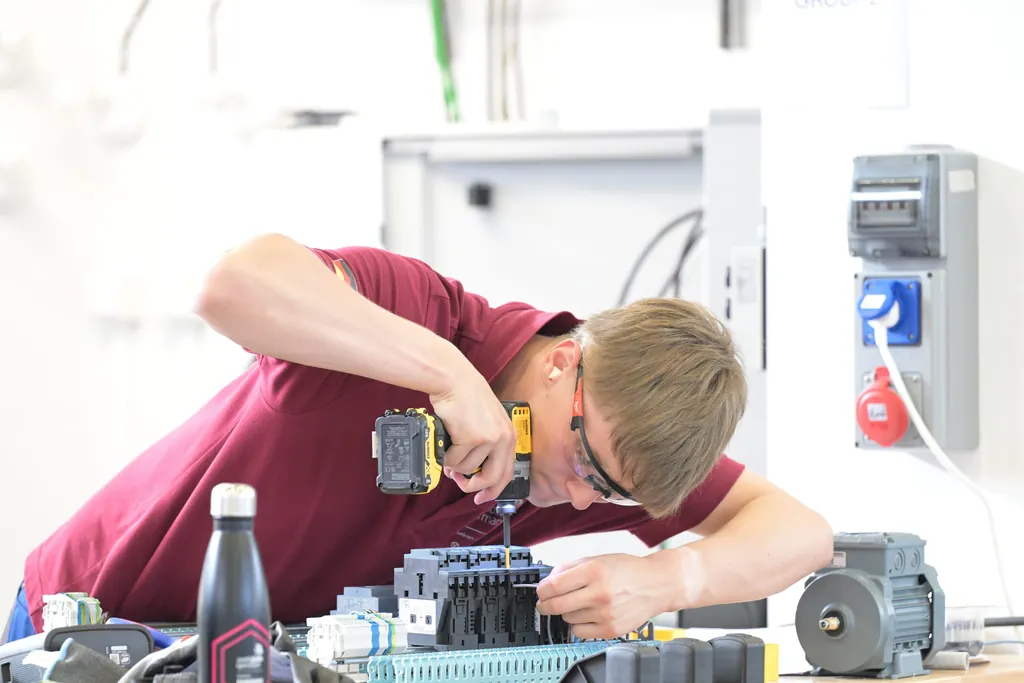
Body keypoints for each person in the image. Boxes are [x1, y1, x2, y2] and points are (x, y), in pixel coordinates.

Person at [5, 233, 833, 644]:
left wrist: (664, 578)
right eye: (587, 462)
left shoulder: (591, 464)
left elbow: (801, 533)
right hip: (89, 625)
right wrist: (447, 374)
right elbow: (229, 287)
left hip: (249, 656)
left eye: (610, 491)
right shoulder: (423, 312)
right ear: (563, 363)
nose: (584, 501)